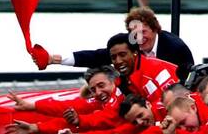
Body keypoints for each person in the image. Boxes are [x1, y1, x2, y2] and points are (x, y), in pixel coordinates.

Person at [45, 8, 195, 82]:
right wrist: (54, 59)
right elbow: (96, 56)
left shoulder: (176, 48)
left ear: (155, 29)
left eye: (143, 32)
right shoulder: (131, 44)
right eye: (134, 34)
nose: (140, 38)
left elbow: (188, 78)